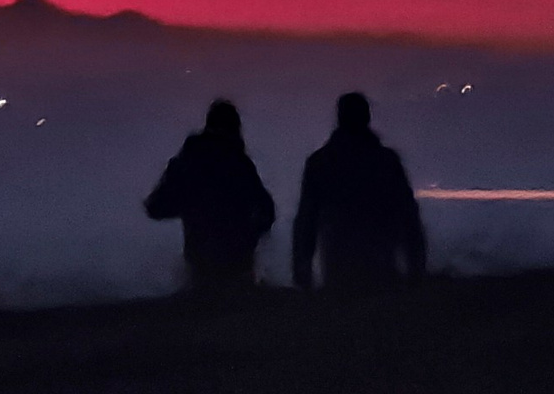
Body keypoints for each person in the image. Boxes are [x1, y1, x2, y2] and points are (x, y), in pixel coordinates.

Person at [291, 91, 427, 294]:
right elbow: (409, 219)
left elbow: (306, 221)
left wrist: (302, 273)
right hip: (382, 268)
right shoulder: (386, 162)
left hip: (338, 267)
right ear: (367, 117)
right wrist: (416, 270)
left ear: (339, 118)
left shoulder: (321, 163)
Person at [144, 99, 276, 294]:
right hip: (236, 265)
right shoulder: (238, 163)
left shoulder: (188, 163)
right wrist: (250, 237)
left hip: (202, 262)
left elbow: (155, 207)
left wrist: (187, 205)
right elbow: (266, 211)